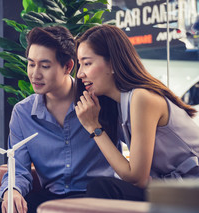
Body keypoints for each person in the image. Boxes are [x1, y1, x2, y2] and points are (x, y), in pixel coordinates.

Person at [0, 26, 117, 213]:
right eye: (31, 64)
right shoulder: (22, 113)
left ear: (68, 67)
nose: (35, 74)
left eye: (44, 66)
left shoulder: (100, 102)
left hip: (95, 197)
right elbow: (18, 168)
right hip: (51, 200)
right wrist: (12, 191)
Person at [75, 24, 199, 201]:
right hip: (172, 190)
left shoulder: (141, 97)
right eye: (80, 64)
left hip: (190, 190)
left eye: (87, 63)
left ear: (112, 63)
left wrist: (94, 127)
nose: (80, 73)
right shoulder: (118, 104)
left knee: (102, 188)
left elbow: (136, 177)